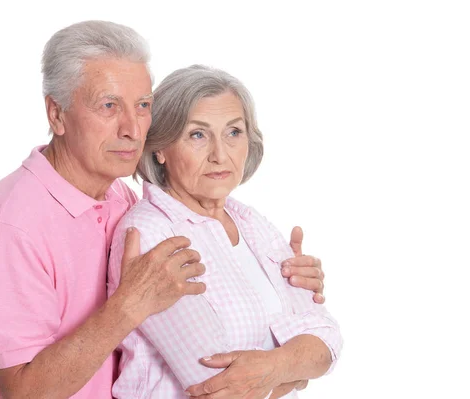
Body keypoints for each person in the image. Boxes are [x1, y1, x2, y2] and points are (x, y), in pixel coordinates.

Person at [0, 21, 326, 398]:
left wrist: (278, 283)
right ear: (56, 114)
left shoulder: (119, 197)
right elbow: (25, 393)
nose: (132, 128)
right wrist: (129, 304)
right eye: (109, 106)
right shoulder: (12, 224)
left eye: (143, 106)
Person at [107, 65, 342, 399]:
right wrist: (293, 369)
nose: (220, 154)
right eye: (197, 135)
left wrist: (276, 367)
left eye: (234, 132)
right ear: (160, 148)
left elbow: (327, 336)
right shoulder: (151, 232)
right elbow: (215, 384)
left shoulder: (251, 223)